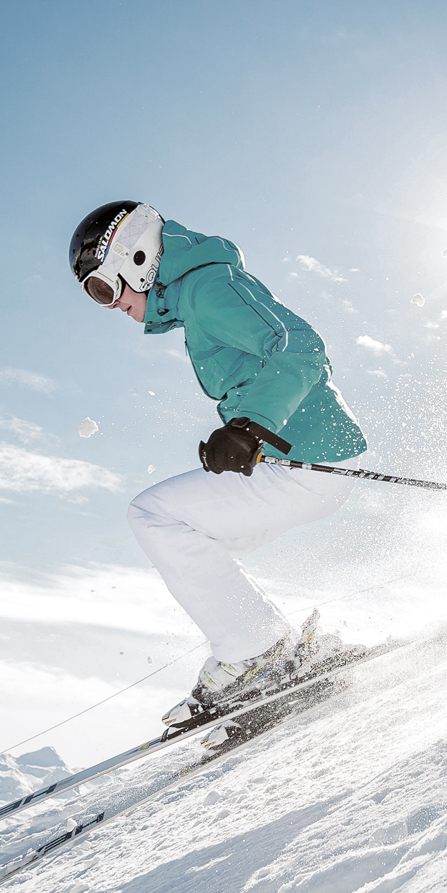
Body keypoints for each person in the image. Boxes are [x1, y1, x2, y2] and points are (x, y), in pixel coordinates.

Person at [68, 201, 367, 724]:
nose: (110, 305)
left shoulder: (208, 290)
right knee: (189, 542)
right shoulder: (200, 294)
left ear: (135, 257)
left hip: (308, 463)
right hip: (298, 461)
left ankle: (257, 651)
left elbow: (302, 349)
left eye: (104, 288)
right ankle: (263, 649)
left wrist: (249, 424)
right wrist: (245, 432)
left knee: (155, 515)